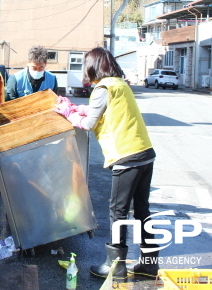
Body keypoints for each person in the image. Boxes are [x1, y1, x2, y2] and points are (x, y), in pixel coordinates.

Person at [55, 47, 157, 281]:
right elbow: (101, 112)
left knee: (117, 211)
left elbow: (89, 123)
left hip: (126, 156)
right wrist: (76, 108)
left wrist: (67, 113)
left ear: (92, 66)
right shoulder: (119, 85)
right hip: (145, 153)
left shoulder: (102, 88)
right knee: (142, 211)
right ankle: (149, 264)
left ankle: (115, 266)